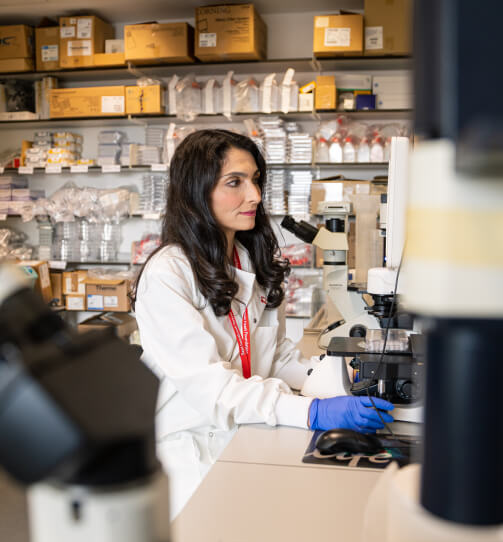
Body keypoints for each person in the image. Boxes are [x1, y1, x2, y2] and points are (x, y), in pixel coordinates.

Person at [133, 129, 394, 518]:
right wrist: (313, 413)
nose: (254, 195)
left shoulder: (247, 258)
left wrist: (340, 382)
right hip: (193, 444)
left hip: (248, 427)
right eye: (235, 182)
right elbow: (213, 390)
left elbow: (274, 354)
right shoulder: (168, 274)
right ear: (196, 191)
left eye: (255, 180)